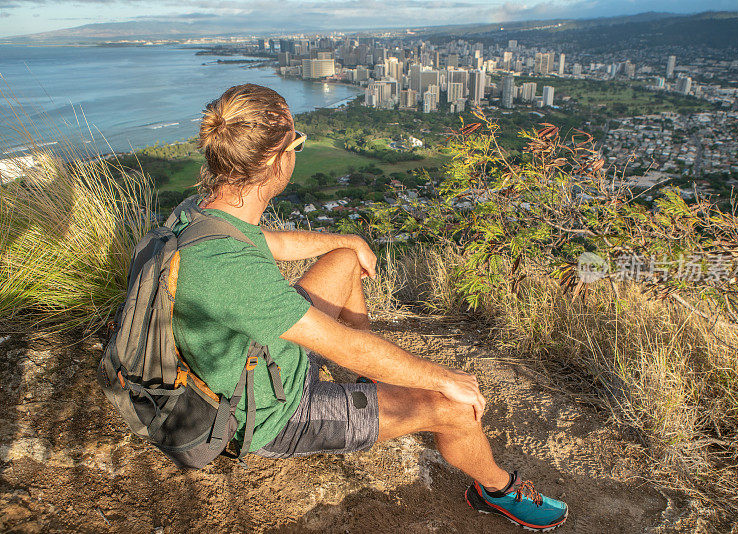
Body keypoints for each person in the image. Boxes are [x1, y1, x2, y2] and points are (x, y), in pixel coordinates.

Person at [172, 83, 568, 531]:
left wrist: (349, 241)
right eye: (296, 143)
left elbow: (274, 242)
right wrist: (445, 379)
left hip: (258, 357)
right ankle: (497, 490)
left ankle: (374, 384)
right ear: (273, 160)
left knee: (344, 261)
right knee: (455, 407)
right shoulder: (231, 271)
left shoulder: (202, 215)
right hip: (275, 411)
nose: (298, 152)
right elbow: (344, 346)